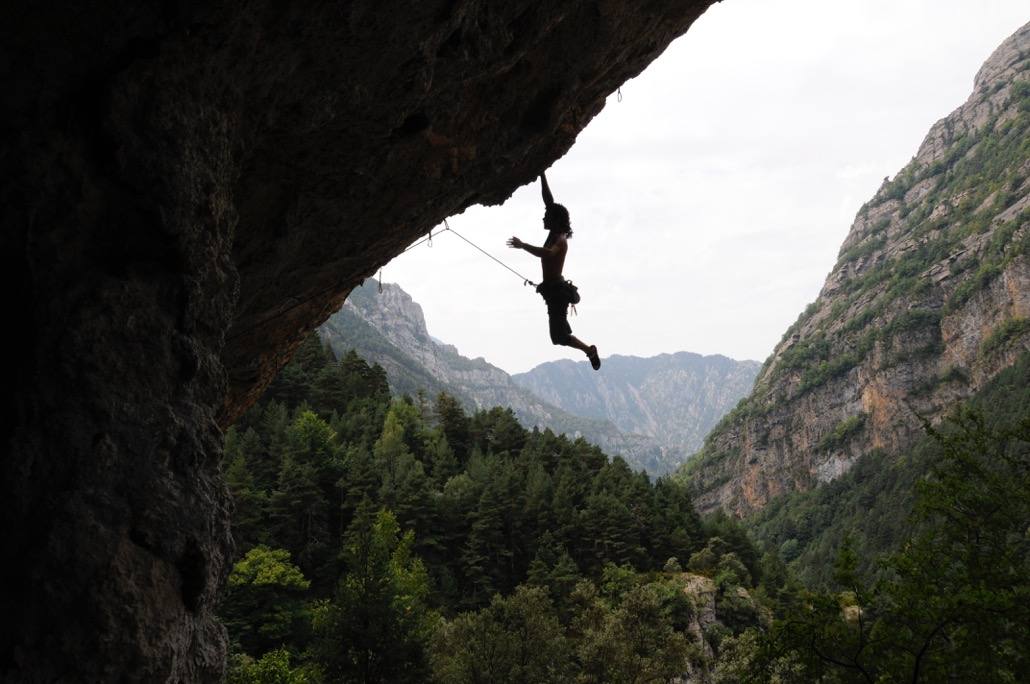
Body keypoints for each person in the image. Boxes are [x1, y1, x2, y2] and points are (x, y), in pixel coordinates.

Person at [507, 173, 601, 370]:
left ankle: (589, 350)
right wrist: (541, 174)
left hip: (557, 292)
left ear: (555, 221)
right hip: (552, 291)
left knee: (558, 337)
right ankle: (588, 350)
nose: (543, 217)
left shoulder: (560, 240)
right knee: (557, 337)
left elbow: (548, 253)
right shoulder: (554, 232)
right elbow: (548, 201)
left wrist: (523, 245)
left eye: (546, 217)